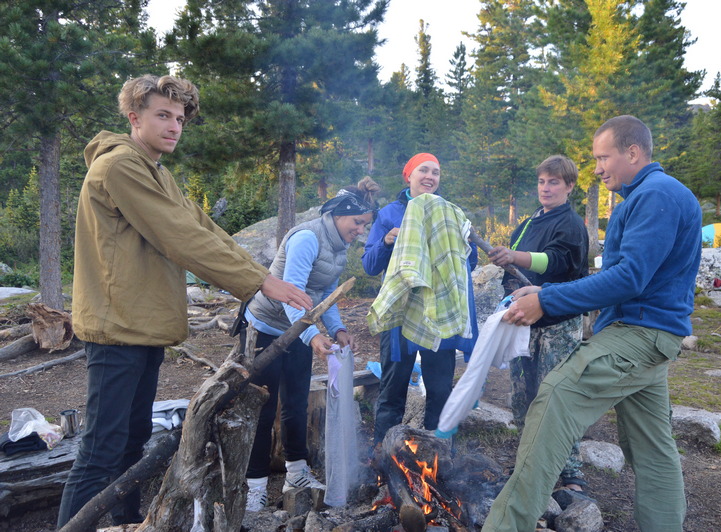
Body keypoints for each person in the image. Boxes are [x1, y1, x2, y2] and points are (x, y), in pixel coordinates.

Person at [58, 75, 312, 528]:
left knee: (133, 440)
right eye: (163, 115)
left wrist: (263, 275)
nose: (174, 126)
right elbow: (180, 238)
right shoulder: (120, 167)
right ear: (134, 118)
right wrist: (257, 283)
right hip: (116, 329)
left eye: (179, 118)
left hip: (143, 328)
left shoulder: (158, 173)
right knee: (101, 449)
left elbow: (204, 229)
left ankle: (126, 523)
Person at [483, 115, 702, 532]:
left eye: (604, 157)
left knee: (555, 396)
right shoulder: (641, 197)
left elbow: (629, 278)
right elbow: (626, 275)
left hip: (641, 333)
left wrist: (547, 299)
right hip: (649, 333)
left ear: (633, 152)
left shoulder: (657, 195)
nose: (598, 168)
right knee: (653, 449)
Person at [242, 177, 380, 512]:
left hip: (301, 328)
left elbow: (326, 296)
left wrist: (337, 330)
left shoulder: (338, 246)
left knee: (296, 404)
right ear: (337, 215)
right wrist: (312, 335)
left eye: (366, 225)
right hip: (267, 328)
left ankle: (297, 473)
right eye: (358, 223)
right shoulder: (307, 238)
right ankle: (255, 486)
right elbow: (291, 294)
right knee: (262, 405)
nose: (361, 231)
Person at [362, 153, 478, 448]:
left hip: (438, 311)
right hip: (401, 314)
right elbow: (369, 266)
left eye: (435, 172)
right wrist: (387, 241)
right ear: (408, 176)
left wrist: (464, 242)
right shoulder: (389, 214)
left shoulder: (450, 213)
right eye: (423, 170)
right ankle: (382, 457)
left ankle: (437, 458)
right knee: (393, 389)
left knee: (440, 390)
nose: (430, 176)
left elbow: (469, 262)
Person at [488, 155, 589, 492]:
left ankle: (570, 471)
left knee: (555, 396)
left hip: (557, 323)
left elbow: (556, 261)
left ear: (569, 186)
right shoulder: (529, 223)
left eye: (554, 182)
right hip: (523, 322)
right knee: (523, 395)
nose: (546, 188)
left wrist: (514, 256)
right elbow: (513, 270)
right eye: (542, 181)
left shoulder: (571, 224)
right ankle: (528, 462)